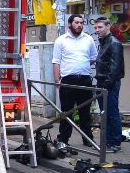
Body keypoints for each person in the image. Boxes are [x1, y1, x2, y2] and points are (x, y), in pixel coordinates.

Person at [52, 14, 98, 151]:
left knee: (85, 111)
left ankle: (88, 138)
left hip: (84, 79)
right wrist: (57, 80)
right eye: (76, 22)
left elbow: (93, 58)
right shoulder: (61, 40)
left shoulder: (88, 39)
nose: (79, 25)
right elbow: (56, 61)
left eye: (81, 22)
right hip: (68, 80)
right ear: (70, 24)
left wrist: (81, 66)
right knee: (67, 111)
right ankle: (64, 138)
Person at [94, 17, 124, 154]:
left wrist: (106, 85)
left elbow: (115, 67)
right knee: (105, 113)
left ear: (108, 26)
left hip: (109, 83)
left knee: (112, 113)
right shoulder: (104, 42)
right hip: (102, 82)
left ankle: (115, 143)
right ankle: (108, 141)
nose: (97, 30)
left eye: (100, 27)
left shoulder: (114, 43)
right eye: (95, 28)